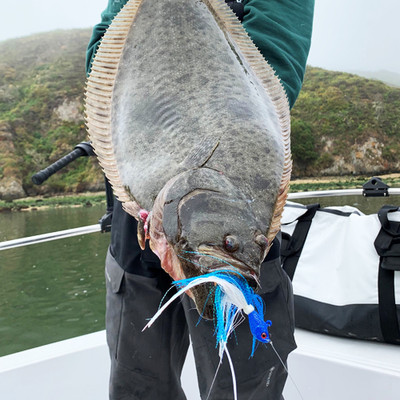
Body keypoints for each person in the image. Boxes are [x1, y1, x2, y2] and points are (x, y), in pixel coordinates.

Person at [86, 1, 314, 398]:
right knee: (137, 381)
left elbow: (279, 46)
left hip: (239, 195)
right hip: (138, 186)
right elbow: (101, 51)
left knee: (246, 387)